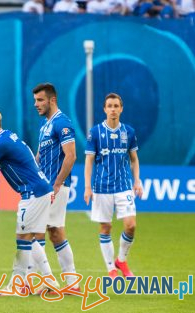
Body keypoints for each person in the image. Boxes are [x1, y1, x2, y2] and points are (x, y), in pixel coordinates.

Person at [0, 109, 55, 296]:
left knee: (22, 239)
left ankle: (15, 287)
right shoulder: (6, 138)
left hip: (32, 193)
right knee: (30, 239)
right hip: (42, 190)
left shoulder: (0, 143)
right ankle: (49, 281)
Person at [84, 93, 142, 279]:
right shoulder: (95, 133)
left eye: (116, 106)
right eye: (109, 106)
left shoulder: (129, 132)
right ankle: (111, 269)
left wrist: (137, 181)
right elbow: (89, 161)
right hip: (102, 187)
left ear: (121, 108)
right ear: (104, 109)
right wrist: (87, 187)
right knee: (106, 227)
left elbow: (134, 159)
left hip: (124, 185)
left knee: (131, 225)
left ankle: (121, 260)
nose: (113, 109)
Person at [31, 83, 79, 293]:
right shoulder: (45, 126)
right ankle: (72, 284)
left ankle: (46, 281)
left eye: (40, 100)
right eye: (35, 101)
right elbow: (40, 157)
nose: (36, 104)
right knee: (56, 233)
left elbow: (71, 155)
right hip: (45, 186)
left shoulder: (62, 123)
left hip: (54, 187)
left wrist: (57, 183)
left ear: (51, 100)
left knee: (32, 233)